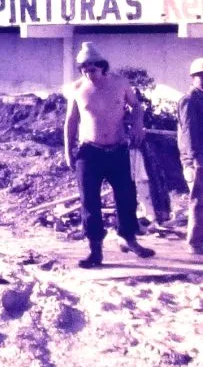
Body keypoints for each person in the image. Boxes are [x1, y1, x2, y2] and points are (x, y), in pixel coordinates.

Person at [64, 42, 155, 267]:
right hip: (89, 152)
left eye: (92, 69)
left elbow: (136, 107)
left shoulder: (120, 83)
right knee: (89, 202)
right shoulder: (76, 88)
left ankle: (128, 238)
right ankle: (95, 249)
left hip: (117, 150)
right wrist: (67, 150)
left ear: (102, 66)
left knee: (126, 196)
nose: (88, 73)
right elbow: (71, 121)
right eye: (83, 68)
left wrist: (138, 126)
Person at [177, 56, 203, 257]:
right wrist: (193, 160)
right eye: (200, 76)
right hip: (197, 158)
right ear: (193, 78)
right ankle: (194, 242)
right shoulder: (189, 100)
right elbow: (188, 132)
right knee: (198, 200)